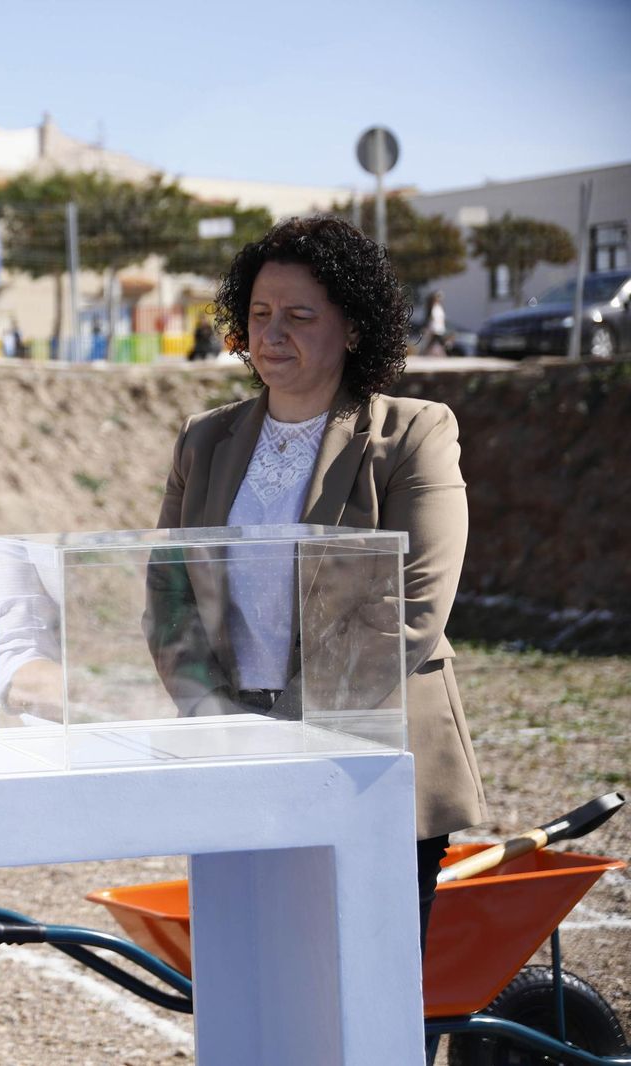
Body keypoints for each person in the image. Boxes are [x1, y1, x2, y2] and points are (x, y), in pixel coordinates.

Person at [151, 216, 486, 975]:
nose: (273, 334)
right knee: (260, 986)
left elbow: (412, 607)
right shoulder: (203, 439)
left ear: (354, 328)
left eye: (300, 315)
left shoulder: (414, 435)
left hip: (371, 762)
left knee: (367, 992)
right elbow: (168, 593)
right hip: (236, 759)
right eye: (259, 313)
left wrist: (290, 736)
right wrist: (215, 719)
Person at [421, 290, 449, 356]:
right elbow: (429, 318)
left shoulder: (439, 307)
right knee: (438, 342)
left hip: (439, 328)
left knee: (433, 343)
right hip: (434, 328)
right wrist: (426, 327)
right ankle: (444, 355)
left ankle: (424, 353)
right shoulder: (431, 307)